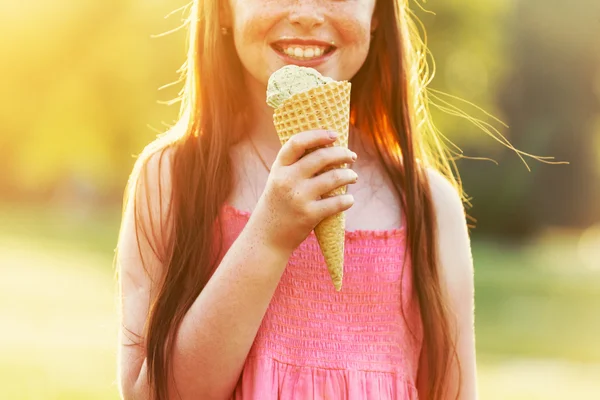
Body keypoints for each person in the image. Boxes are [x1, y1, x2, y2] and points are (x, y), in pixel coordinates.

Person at [115, 0, 477, 399]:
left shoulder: (429, 205)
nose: (306, 12)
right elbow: (152, 394)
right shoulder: (171, 179)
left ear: (378, 14)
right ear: (221, 10)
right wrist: (269, 235)